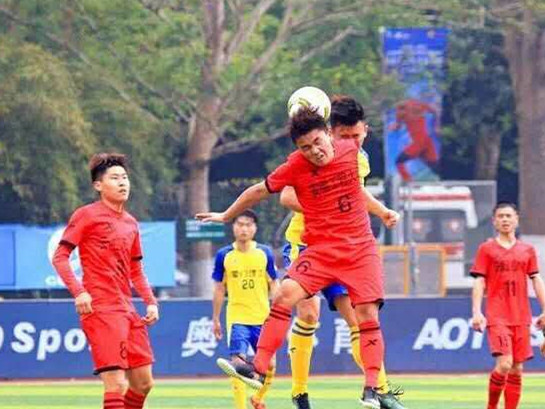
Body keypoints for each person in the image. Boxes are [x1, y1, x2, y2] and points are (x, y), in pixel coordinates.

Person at [198, 108, 398, 409]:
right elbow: (259, 191)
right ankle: (258, 368)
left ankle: (373, 389)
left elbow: (358, 190)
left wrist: (382, 211)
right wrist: (227, 215)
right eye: (305, 147)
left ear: (329, 134)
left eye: (317, 142)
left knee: (367, 315)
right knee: (285, 295)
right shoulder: (295, 166)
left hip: (360, 251)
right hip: (320, 251)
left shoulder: (351, 150)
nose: (314, 151)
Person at [280, 96, 405, 409]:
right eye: (345, 135)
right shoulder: (309, 153)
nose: (352, 140)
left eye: (356, 135)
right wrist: (324, 206)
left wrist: (382, 211)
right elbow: (286, 196)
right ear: (329, 131)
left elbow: (356, 194)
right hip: (306, 244)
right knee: (308, 313)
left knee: (360, 320)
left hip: (345, 248)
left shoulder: (358, 159)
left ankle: (380, 391)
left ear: (365, 131)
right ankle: (299, 393)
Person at [53, 153, 159, 409]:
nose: (122, 183)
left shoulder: (131, 223)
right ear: (98, 185)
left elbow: (136, 269)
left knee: (144, 384)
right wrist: (79, 292)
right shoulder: (86, 215)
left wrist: (150, 301)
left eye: (125, 177)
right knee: (116, 384)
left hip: (127, 309)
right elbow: (60, 257)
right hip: (101, 308)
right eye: (114, 178)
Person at [470, 202, 545, 409]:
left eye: (508, 216)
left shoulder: (527, 250)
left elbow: (536, 279)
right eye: (500, 216)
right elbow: (479, 281)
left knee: (517, 369)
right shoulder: (486, 249)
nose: (505, 219)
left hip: (521, 316)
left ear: (516, 220)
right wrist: (476, 312)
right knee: (504, 364)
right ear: (494, 221)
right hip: (497, 316)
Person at [212, 209, 279, 409]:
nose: (244, 229)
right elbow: (219, 288)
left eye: (248, 225)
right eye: (240, 224)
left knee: (271, 364)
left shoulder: (264, 253)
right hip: (237, 317)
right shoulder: (224, 255)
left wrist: (278, 312)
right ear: (233, 227)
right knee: (237, 365)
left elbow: (274, 283)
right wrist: (215, 318)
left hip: (263, 317)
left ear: (255, 228)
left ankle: (258, 397)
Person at [389, 98, 439, 181]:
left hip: (418, 144)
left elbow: (398, 126)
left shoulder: (401, 110)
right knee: (434, 166)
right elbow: (435, 110)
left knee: (399, 161)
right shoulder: (417, 104)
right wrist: (436, 126)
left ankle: (408, 181)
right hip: (427, 141)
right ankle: (449, 180)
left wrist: (393, 127)